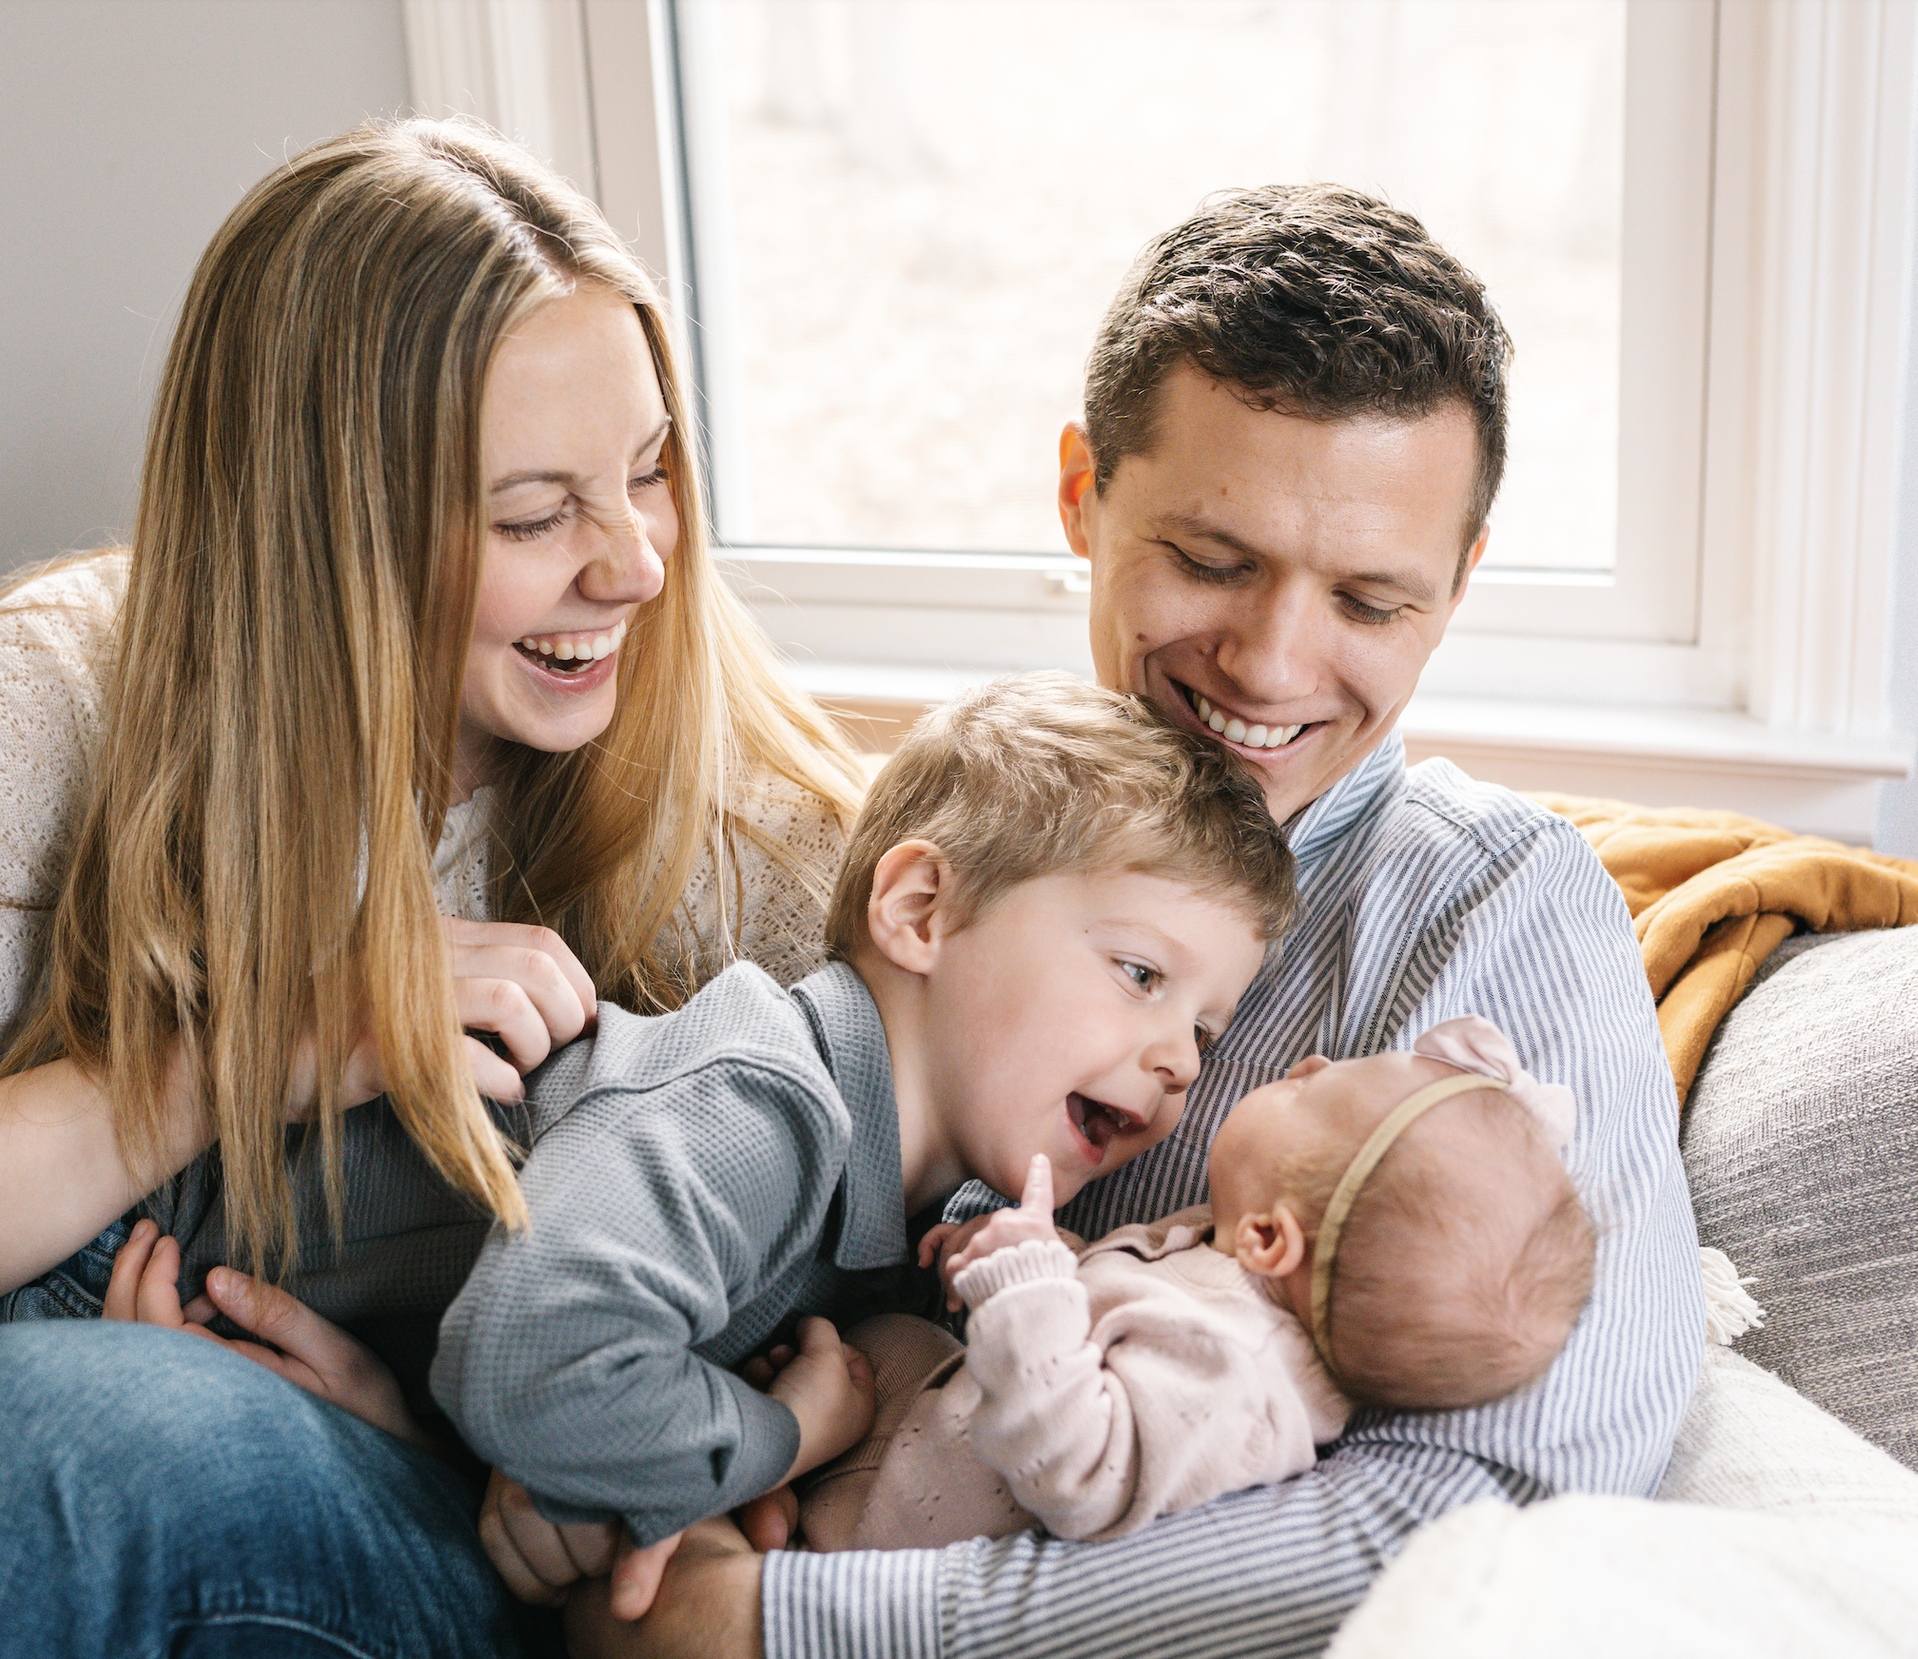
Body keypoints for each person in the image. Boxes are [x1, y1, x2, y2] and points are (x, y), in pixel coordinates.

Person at [0, 117, 860, 1659]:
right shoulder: (74, 680)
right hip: (16, 1428)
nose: (637, 567)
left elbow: (870, 1329)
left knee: (39, 1431)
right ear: (323, 523)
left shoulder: (748, 832)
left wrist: (427, 1432)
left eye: (652, 475)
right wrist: (270, 1049)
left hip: (393, 1512)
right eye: (536, 514)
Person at [567, 186, 1705, 1659]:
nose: (1273, 661)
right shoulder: (943, 843)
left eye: (1370, 597)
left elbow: (1496, 1510)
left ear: (1461, 581)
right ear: (1081, 494)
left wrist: (789, 1623)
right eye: (1215, 561)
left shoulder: (1495, 904)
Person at [431, 672, 1293, 1614]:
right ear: (921, 910)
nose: (1179, 1063)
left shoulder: (913, 1226)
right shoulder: (763, 1100)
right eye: (1140, 973)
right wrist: (797, 1429)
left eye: (1205, 1034)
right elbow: (527, 1364)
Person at [797, 1014, 1593, 1552]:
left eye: (1309, 1090)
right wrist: (1038, 1252)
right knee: (881, 1341)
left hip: (889, 1536)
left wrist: (1026, 1285)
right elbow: (1114, 1314)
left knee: (830, 1371)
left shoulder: (1235, 1376)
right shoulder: (1220, 1261)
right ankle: (788, 1453)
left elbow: (1076, 1464)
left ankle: (756, 1514)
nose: (1307, 1062)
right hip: (929, 1426)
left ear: (1270, 1236)